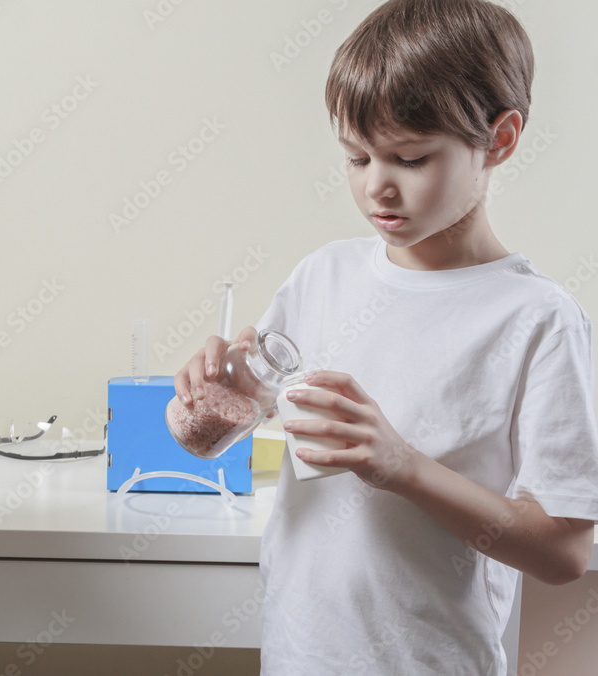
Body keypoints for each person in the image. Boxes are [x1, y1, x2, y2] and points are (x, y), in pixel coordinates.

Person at [175, 0, 598, 673]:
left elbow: (566, 551)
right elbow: (212, 430)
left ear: (501, 139)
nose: (378, 187)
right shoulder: (324, 276)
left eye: (410, 158)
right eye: (356, 157)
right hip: (297, 656)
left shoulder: (538, 320)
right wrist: (201, 399)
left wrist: (402, 467)